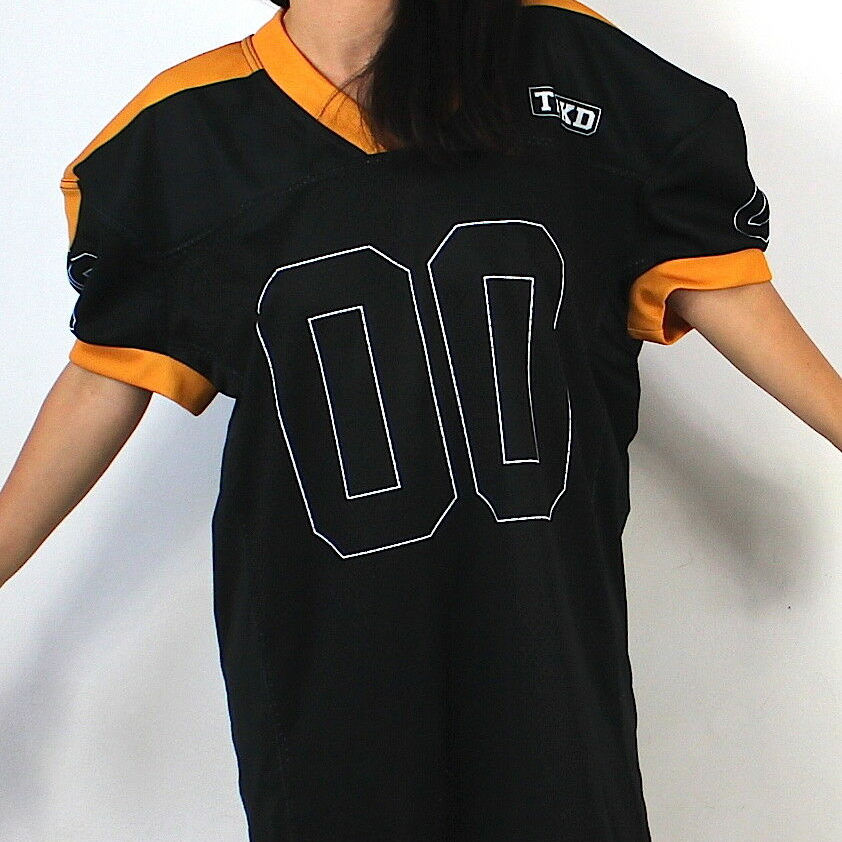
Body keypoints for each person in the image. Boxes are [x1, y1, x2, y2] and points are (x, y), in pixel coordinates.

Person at [1, 0, 840, 839]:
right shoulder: (182, 134)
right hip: (326, 669)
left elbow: (719, 279)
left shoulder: (567, 63)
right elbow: (106, 374)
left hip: (545, 644)